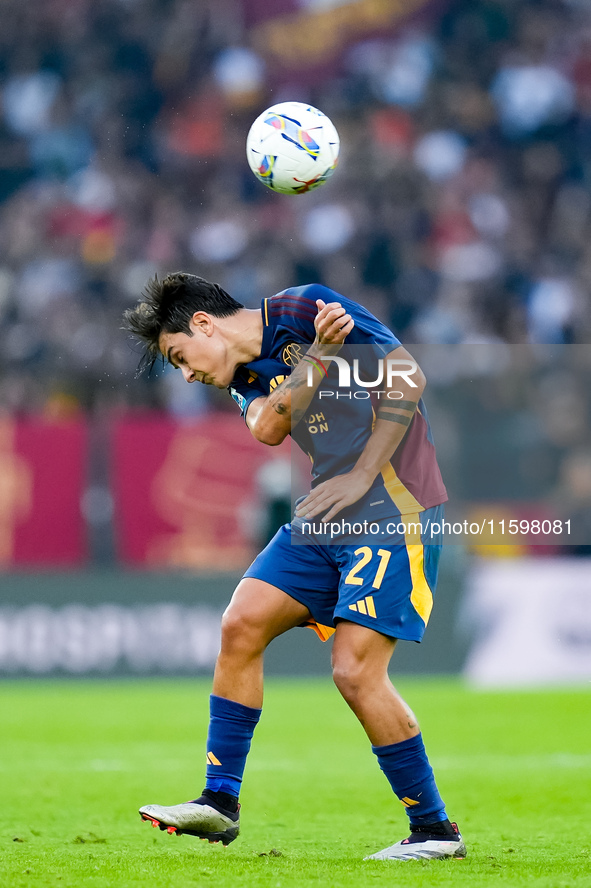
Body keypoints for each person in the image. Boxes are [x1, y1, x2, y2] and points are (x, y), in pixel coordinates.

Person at [123, 272, 465, 861]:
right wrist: (319, 361)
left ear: (203, 325)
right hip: (325, 512)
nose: (186, 374)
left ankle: (435, 832)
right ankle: (218, 802)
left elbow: (407, 378)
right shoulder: (244, 375)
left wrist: (361, 471)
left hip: (392, 503)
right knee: (241, 624)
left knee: (355, 672)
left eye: (180, 356)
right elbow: (266, 427)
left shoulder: (304, 308)